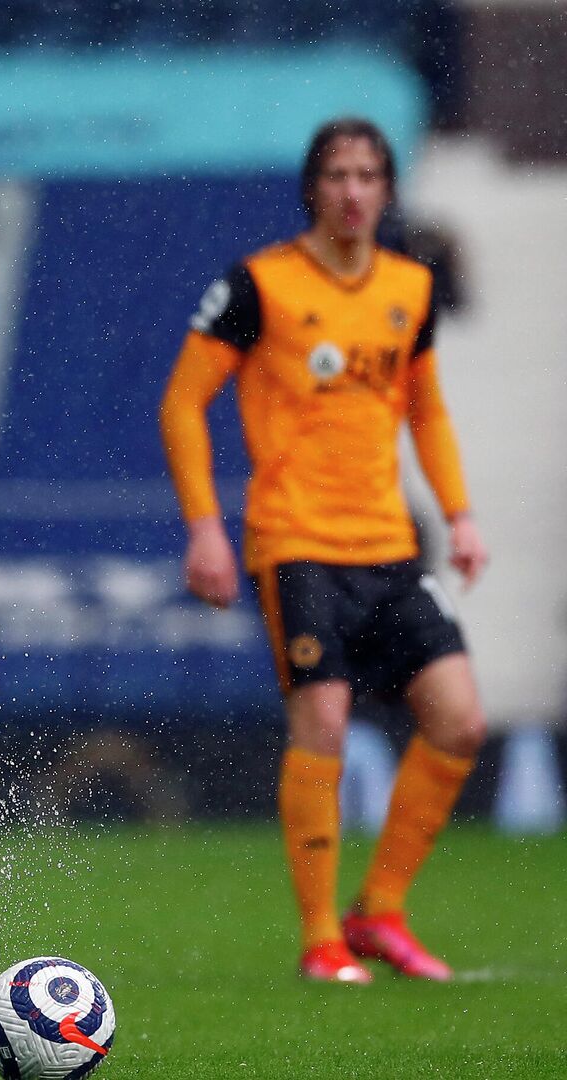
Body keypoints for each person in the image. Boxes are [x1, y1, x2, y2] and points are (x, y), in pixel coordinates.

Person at [160, 117, 487, 984]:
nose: (352, 191)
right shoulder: (259, 285)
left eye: (368, 174)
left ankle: (378, 912)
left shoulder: (410, 288)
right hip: (298, 543)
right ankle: (320, 942)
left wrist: (459, 515)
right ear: (315, 187)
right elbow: (183, 401)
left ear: (386, 189)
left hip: (390, 544)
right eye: (337, 174)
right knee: (327, 721)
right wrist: (204, 527)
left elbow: (427, 410)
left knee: (459, 719)